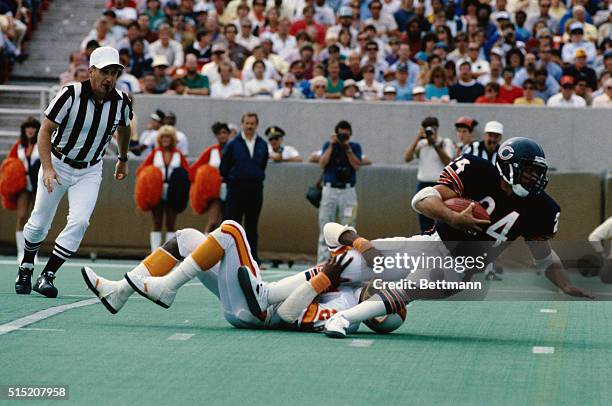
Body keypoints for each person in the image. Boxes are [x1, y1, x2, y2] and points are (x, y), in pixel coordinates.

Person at [323, 137, 594, 338]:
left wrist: (565, 284)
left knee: (413, 286)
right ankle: (292, 298)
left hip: (463, 267)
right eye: (529, 170)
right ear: (509, 165)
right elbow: (422, 199)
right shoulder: (476, 170)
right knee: (355, 261)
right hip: (434, 242)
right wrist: (454, 217)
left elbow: (543, 253)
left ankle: (342, 318)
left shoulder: (541, 207)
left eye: (537, 172)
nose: (535, 177)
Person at [81, 221, 377, 335]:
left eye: (380, 299)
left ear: (376, 317)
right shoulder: (352, 275)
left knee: (231, 231)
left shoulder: (345, 309)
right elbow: (330, 230)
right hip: (249, 298)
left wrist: (323, 280)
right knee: (186, 238)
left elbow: (287, 315)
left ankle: (167, 288)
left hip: (258, 310)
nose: (378, 290)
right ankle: (118, 292)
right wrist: (359, 241)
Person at [14, 47, 133, 298]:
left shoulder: (121, 101)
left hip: (90, 168)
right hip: (58, 162)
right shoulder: (70, 93)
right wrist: (46, 168)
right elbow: (45, 130)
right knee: (39, 222)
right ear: (91, 71)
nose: (109, 78)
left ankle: (47, 275)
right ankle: (26, 266)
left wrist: (122, 159)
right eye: (104, 72)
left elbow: (124, 128)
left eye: (113, 72)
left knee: (79, 222)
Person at [220, 112, 269, 264]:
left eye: (252, 123)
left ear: (256, 125)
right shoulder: (233, 144)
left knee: (252, 226)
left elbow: (263, 165)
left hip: (255, 191)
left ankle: (252, 258)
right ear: (242, 124)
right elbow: (224, 168)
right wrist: (235, 179)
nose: (249, 126)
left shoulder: (262, 144)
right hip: (236, 190)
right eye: (247, 123)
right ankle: (230, 259)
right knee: (232, 225)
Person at [137, 125, 190, 251]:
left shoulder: (178, 154)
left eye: (168, 137)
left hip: (173, 191)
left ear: (173, 139)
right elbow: (141, 171)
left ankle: (169, 252)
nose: (166, 139)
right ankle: (155, 251)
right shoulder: (155, 153)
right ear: (159, 139)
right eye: (163, 137)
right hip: (157, 191)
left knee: (171, 223)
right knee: (157, 221)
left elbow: (188, 172)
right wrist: (150, 179)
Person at [317, 120, 362, 262]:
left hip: (348, 191)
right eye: (340, 135)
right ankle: (323, 264)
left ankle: (347, 263)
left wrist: (347, 148)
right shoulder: (329, 145)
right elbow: (322, 163)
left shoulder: (354, 147)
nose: (343, 138)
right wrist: (331, 145)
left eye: (345, 135)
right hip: (330, 190)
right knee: (325, 227)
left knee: (348, 228)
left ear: (350, 135)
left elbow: (357, 166)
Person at [0, 118, 41, 264]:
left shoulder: (41, 143)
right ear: (24, 130)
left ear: (37, 130)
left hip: (38, 184)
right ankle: (21, 252)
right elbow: (9, 164)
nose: (30, 130)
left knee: (37, 218)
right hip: (23, 185)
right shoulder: (18, 146)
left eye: (33, 127)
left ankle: (33, 253)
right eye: (27, 127)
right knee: (22, 216)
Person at [404, 116, 454, 233]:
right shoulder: (421, 144)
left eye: (433, 129)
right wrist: (418, 137)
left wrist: (435, 144)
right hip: (423, 184)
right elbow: (407, 158)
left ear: (437, 129)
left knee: (440, 219)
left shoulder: (445, 142)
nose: (430, 131)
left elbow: (448, 161)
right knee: (424, 219)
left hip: (439, 185)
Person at [190, 122, 230, 233]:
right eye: (219, 133)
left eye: (224, 132)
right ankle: (205, 247)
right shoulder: (211, 151)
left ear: (229, 134)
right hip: (214, 193)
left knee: (228, 222)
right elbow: (193, 171)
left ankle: (226, 249)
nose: (222, 135)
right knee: (213, 222)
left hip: (231, 190)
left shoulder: (235, 149)